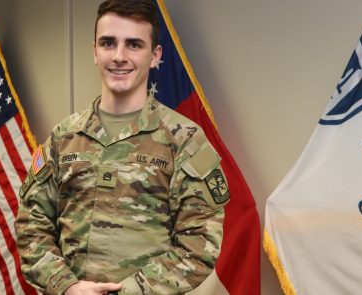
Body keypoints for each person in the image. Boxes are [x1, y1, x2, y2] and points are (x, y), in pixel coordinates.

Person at [15, 1, 230, 294]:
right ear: (94, 51)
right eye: (108, 43)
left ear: (155, 56)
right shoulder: (63, 137)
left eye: (133, 45)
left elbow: (199, 244)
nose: (119, 56)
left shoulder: (184, 140)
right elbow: (32, 226)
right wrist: (66, 286)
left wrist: (127, 292)